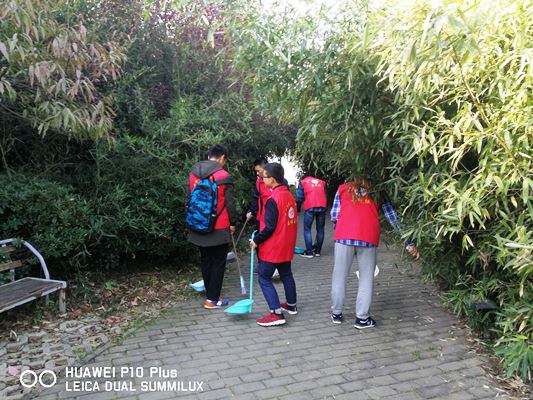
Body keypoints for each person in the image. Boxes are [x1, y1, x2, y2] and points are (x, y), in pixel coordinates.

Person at [330, 177, 420, 328]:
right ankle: (362, 319)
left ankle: (336, 313)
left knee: (339, 275)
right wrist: (408, 242)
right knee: (366, 278)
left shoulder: (343, 188)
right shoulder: (378, 190)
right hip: (368, 236)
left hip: (343, 236)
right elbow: (393, 217)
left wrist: (342, 229)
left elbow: (334, 215)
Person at [187, 145, 237, 309]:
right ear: (222, 158)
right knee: (218, 262)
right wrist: (233, 223)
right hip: (219, 226)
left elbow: (189, 198)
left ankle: (210, 293)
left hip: (198, 223)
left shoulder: (193, 173)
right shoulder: (224, 176)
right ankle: (212, 299)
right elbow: (230, 204)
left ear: (209, 157)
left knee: (206, 260)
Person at [250, 163, 298, 327]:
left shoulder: (273, 200)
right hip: (286, 242)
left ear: (272, 179)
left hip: (274, 245)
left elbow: (270, 227)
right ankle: (291, 305)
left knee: (264, 277)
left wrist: (256, 240)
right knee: (286, 274)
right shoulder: (288, 195)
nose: (262, 179)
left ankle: (276, 313)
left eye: (264, 176)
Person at [296, 176, 327, 258]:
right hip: (322, 206)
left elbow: (299, 198)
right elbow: (324, 194)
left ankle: (309, 252)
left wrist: (297, 209)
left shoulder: (303, 182)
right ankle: (317, 251)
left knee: (307, 229)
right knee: (320, 229)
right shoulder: (321, 182)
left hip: (310, 206)